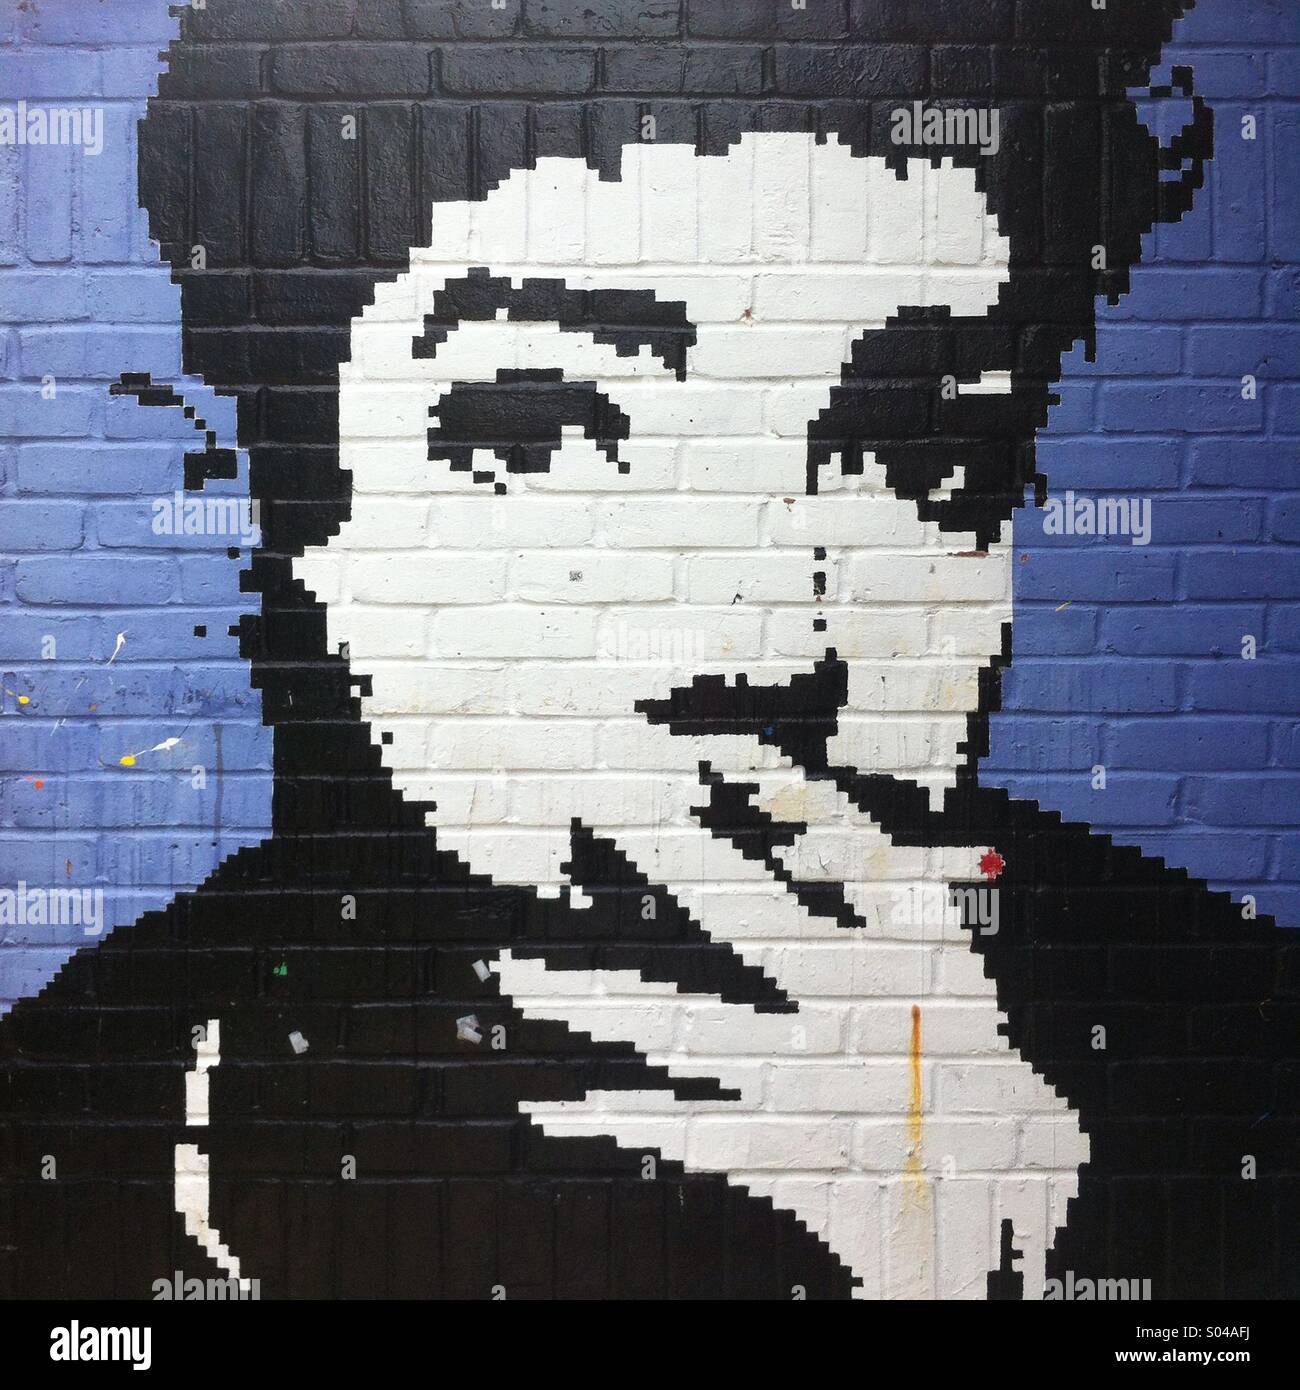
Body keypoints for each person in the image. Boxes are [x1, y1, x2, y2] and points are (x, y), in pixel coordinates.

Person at [2, 0, 1294, 1300]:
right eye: (541, 429)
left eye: (923, 458)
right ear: (248, 499)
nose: (768, 648)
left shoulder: (1239, 1094)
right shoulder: (53, 1145)